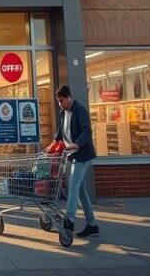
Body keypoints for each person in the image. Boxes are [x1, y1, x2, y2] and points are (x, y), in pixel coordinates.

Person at [54, 85, 99, 238]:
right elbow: (60, 135)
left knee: (73, 184)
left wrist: (77, 144)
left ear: (68, 97)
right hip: (71, 155)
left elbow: (87, 131)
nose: (60, 104)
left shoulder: (80, 111)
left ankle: (70, 220)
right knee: (80, 190)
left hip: (82, 154)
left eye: (61, 101)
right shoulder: (63, 113)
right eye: (58, 101)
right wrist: (50, 147)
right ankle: (92, 225)